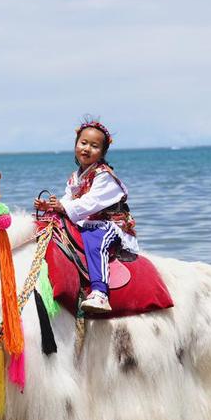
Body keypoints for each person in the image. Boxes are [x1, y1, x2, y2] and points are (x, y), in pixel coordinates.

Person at [34, 118, 138, 314]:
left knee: (93, 240)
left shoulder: (104, 175)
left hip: (109, 224)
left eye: (94, 146)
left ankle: (100, 293)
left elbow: (91, 203)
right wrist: (51, 206)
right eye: (83, 143)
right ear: (76, 145)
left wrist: (64, 208)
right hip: (86, 220)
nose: (87, 148)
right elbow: (69, 199)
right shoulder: (75, 177)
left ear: (102, 153)